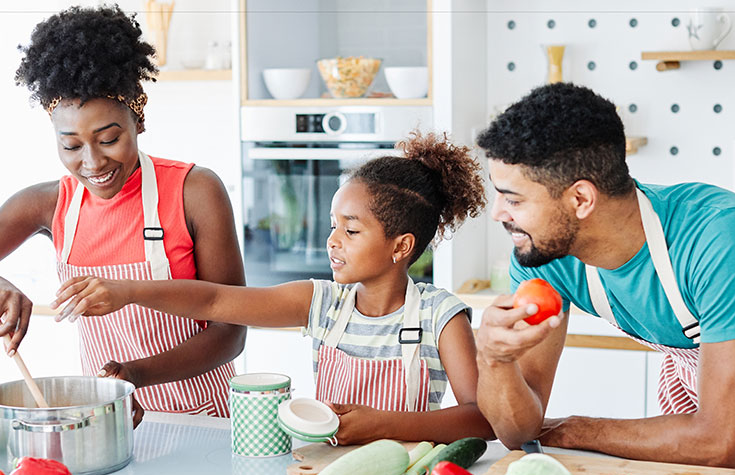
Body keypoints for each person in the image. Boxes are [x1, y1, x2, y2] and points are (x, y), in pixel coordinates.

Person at [473, 83, 735, 470]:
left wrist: (575, 430)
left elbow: (721, 444)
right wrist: (494, 359)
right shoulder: (543, 254)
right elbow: (518, 431)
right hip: (691, 414)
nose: (497, 213)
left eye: (513, 199)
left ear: (580, 200)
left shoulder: (724, 235)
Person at [52, 131, 495, 445]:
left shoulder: (440, 315)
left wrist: (385, 425)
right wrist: (128, 291)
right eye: (332, 225)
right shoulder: (322, 302)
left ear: (401, 246)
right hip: (322, 473)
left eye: (352, 231)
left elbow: (481, 419)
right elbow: (215, 298)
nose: (332, 241)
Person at [0, 6, 245, 421]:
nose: (92, 162)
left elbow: (231, 331)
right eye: (71, 146)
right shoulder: (48, 204)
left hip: (201, 417)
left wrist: (133, 377)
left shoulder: (195, 192)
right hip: (104, 418)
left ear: (138, 118)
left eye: (108, 138)